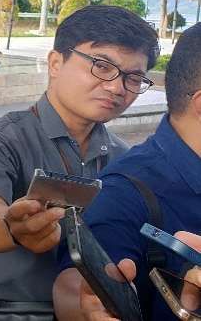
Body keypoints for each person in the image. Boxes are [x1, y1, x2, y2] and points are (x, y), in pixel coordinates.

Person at [0, 5, 159, 319]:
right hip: (13, 313)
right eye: (102, 66)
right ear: (55, 63)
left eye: (133, 78)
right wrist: (14, 226)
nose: (116, 87)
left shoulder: (125, 159)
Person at [53, 23, 201, 321]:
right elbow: (76, 288)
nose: (115, 87)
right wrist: (88, 309)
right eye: (102, 67)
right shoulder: (123, 193)